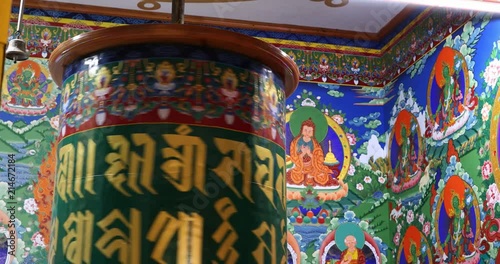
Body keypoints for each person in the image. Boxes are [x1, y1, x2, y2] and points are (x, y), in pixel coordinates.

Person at [286, 118, 336, 186]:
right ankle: (308, 177)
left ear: (313, 132)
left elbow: (319, 158)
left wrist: (310, 154)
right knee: (295, 177)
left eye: (310, 131)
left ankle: (310, 176)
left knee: (323, 177)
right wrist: (302, 154)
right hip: (300, 167)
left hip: (313, 166)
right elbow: (293, 156)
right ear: (301, 130)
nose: (307, 133)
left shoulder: (315, 143)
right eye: (305, 130)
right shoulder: (295, 142)